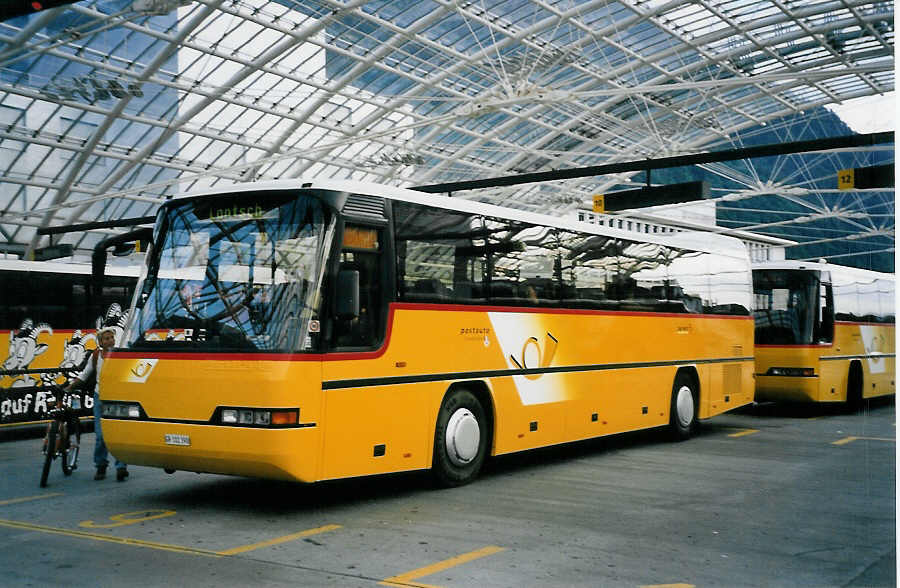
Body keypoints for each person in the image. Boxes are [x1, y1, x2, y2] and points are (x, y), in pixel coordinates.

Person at [65, 326, 128, 482]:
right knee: (101, 436)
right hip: (100, 397)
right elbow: (84, 375)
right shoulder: (95, 356)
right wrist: (70, 387)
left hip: (117, 399)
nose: (110, 341)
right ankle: (101, 465)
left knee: (119, 434)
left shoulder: (121, 355)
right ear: (100, 342)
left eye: (111, 338)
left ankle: (121, 467)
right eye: (106, 338)